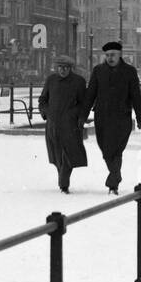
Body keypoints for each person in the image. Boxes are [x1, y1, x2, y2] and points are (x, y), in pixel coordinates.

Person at [82, 41, 141, 194]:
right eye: (107, 55)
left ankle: (113, 182)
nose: (110, 58)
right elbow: (90, 94)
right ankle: (116, 175)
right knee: (105, 149)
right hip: (102, 117)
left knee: (116, 150)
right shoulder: (98, 71)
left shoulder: (129, 71)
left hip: (121, 117)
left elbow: (136, 95)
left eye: (113, 55)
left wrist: (140, 116)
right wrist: (82, 115)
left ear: (120, 55)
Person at [38, 53, 88, 193]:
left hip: (70, 125)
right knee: (57, 155)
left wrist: (78, 116)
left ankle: (63, 184)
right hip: (53, 125)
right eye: (60, 67)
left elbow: (84, 103)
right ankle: (63, 180)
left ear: (70, 68)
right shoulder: (51, 80)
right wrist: (45, 112)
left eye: (66, 67)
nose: (62, 70)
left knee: (69, 154)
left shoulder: (79, 82)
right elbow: (43, 99)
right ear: (56, 67)